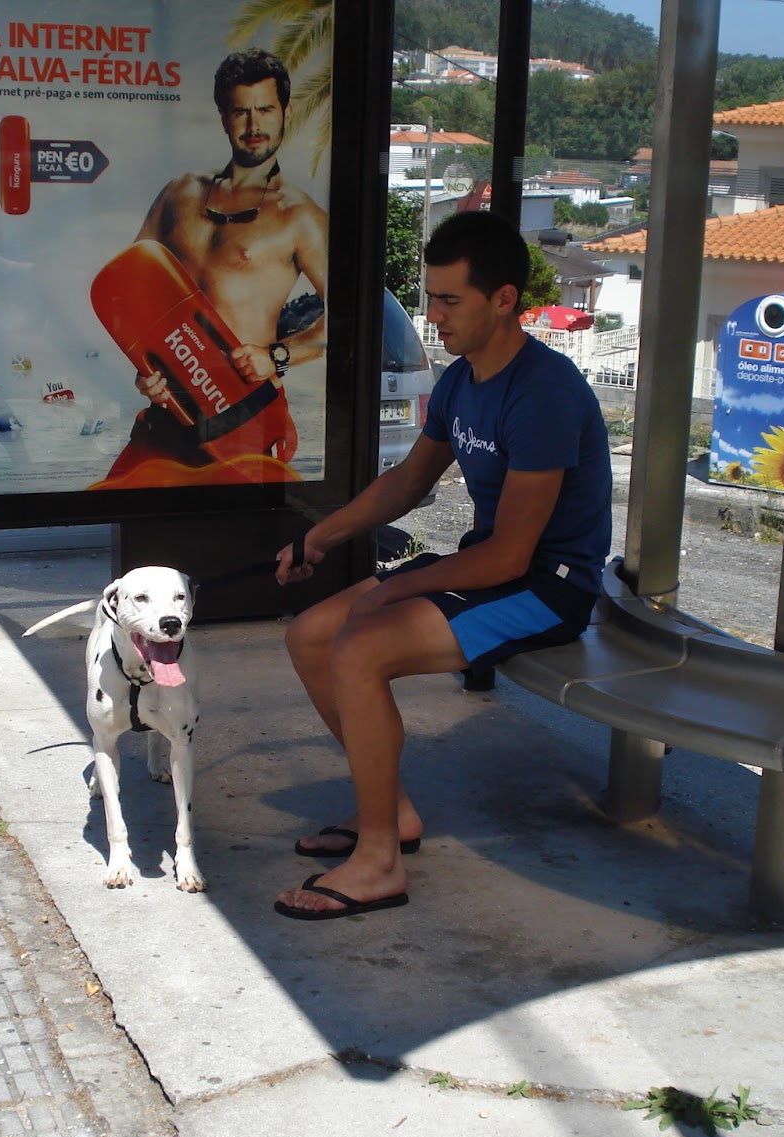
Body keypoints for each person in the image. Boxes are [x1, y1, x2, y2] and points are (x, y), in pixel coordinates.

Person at [271, 211, 612, 920]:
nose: (435, 316)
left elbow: (514, 555)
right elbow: (408, 483)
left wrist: (391, 591)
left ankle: (378, 864)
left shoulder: (544, 392)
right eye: (431, 297)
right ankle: (390, 816)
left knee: (359, 649)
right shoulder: (462, 381)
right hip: (490, 568)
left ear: (504, 299)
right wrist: (321, 537)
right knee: (310, 635)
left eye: (451, 300)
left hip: (547, 587)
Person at [102, 47, 329, 484]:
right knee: (122, 513)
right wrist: (145, 371)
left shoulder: (300, 216)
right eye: (241, 112)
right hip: (170, 411)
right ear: (224, 118)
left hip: (244, 417)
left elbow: (351, 318)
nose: (254, 125)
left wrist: (277, 357)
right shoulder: (180, 193)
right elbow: (130, 291)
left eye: (265, 110)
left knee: (235, 528)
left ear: (286, 112)